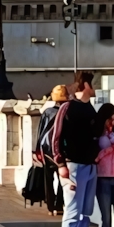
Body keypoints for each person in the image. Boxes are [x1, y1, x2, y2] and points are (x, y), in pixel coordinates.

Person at [52, 71, 101, 227]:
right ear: (86, 85)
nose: (97, 87)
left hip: (90, 166)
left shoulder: (90, 109)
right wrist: (60, 164)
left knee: (85, 214)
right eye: (94, 83)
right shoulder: (68, 108)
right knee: (72, 212)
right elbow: (56, 137)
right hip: (72, 166)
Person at [33, 85, 68, 216]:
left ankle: (50, 205)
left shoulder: (47, 112)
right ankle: (59, 205)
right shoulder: (67, 112)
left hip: (47, 150)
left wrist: (37, 150)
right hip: (62, 150)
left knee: (48, 179)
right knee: (62, 179)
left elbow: (40, 132)